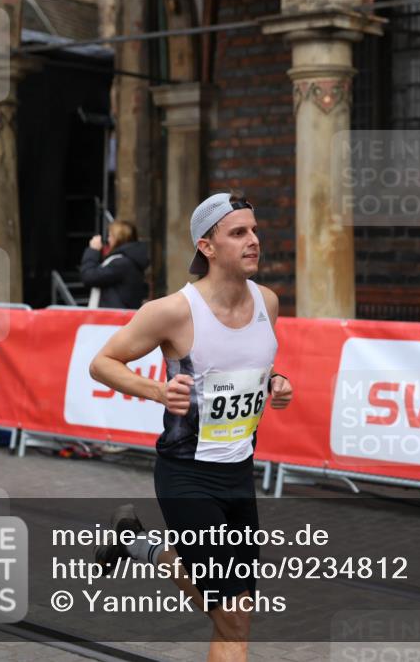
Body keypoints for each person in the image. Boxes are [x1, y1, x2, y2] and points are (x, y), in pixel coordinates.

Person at [88, 190, 293, 661]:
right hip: (187, 475)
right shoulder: (173, 311)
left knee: (231, 611)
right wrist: (158, 391)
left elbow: (255, 367)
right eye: (238, 232)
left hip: (240, 474)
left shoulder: (268, 302)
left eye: (254, 230)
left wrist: (277, 384)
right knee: (235, 618)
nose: (253, 241)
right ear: (207, 245)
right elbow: (103, 363)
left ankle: (138, 544)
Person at [80, 220, 149, 309]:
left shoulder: (121, 263)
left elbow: (89, 276)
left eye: (110, 236)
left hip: (114, 318)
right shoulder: (129, 260)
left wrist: (93, 250)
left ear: (118, 238)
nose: (108, 239)